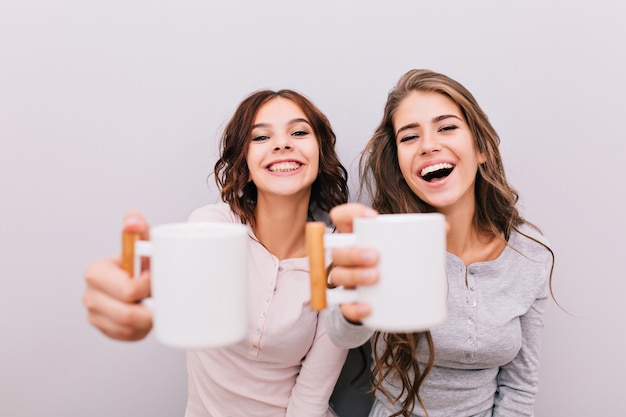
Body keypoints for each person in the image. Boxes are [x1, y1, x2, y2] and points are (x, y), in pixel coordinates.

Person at [83, 89, 352, 416]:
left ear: (320, 154)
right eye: (261, 136)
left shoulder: (337, 257)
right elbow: (173, 293)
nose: (282, 144)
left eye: (298, 132)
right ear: (245, 162)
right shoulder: (213, 226)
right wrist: (135, 295)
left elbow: (311, 398)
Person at [324, 69, 554, 417]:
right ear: (399, 164)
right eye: (409, 137)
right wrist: (352, 309)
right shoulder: (380, 240)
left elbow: (520, 387)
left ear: (481, 149)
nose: (429, 145)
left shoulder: (531, 253)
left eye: (446, 127)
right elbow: (343, 335)